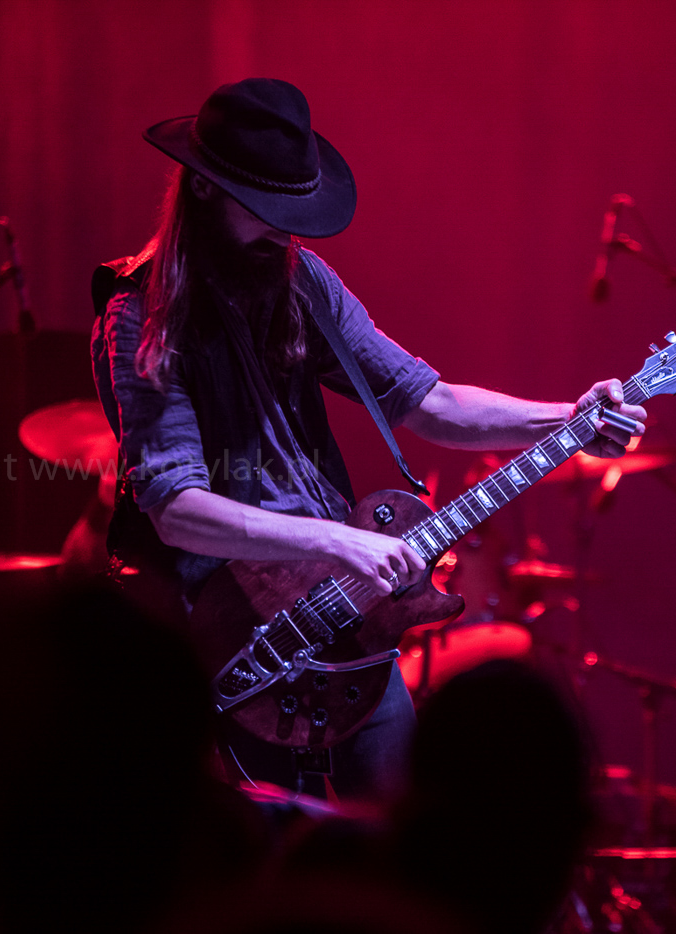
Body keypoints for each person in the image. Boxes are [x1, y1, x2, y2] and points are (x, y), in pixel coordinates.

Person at [92, 77, 646, 799]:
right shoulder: (140, 313)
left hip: (339, 613)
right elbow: (177, 510)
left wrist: (569, 417)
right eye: (265, 209)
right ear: (203, 190)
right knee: (251, 851)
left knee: (405, 829)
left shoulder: (301, 282)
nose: (284, 231)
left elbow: (430, 402)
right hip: (220, 640)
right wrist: (338, 542)